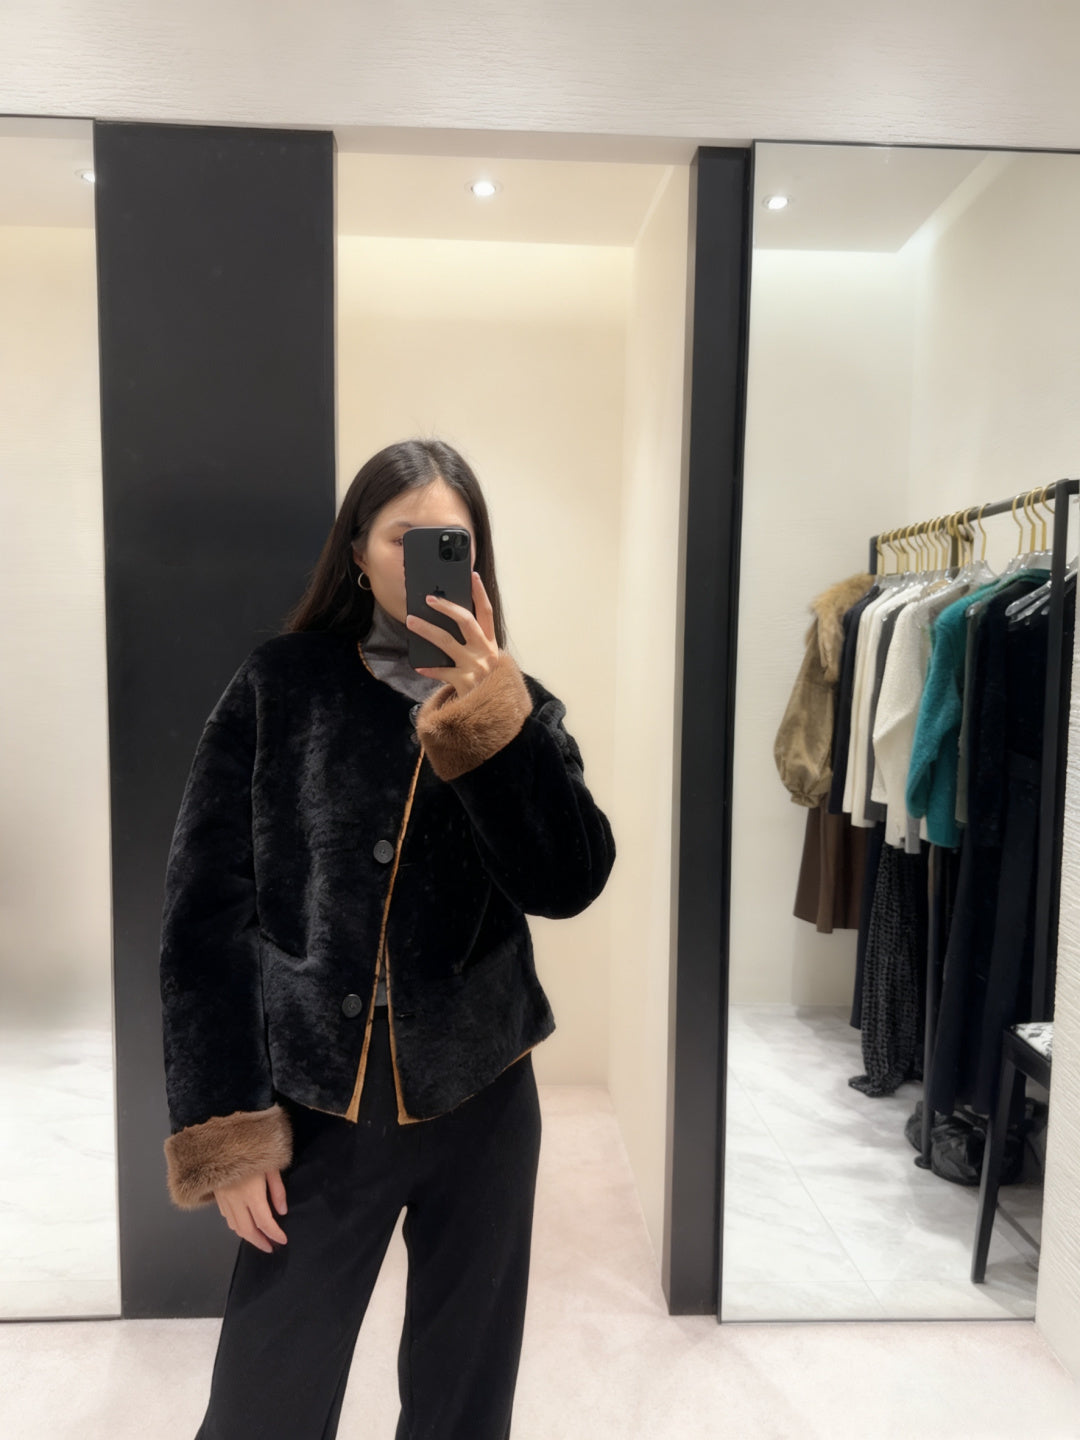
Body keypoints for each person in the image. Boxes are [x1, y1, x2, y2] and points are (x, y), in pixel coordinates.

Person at [158, 437, 617, 1440]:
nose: (426, 560)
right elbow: (204, 916)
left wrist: (494, 722)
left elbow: (569, 880)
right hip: (317, 1105)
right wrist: (227, 1127)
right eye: (405, 537)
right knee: (263, 1405)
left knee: (463, 1406)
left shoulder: (520, 710)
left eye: (451, 541)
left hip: (484, 1102)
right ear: (359, 553)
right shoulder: (280, 685)